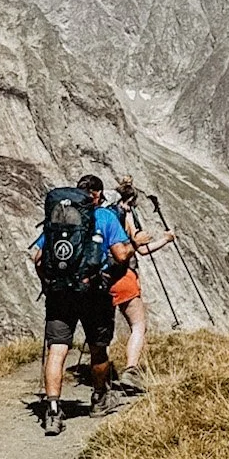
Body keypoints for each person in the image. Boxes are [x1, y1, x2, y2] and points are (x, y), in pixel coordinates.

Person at [30, 174, 133, 433]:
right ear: (96, 195)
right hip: (93, 294)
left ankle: (52, 411)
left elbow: (38, 258)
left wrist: (49, 284)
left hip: (59, 295)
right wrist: (130, 249)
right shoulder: (106, 217)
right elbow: (121, 255)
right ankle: (99, 399)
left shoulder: (59, 217)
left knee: (58, 349)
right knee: (98, 349)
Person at [107, 174, 179, 388]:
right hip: (123, 277)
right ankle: (131, 370)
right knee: (138, 325)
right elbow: (143, 250)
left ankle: (103, 374)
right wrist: (165, 240)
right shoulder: (124, 217)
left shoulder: (101, 216)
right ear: (128, 203)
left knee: (104, 329)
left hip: (99, 277)